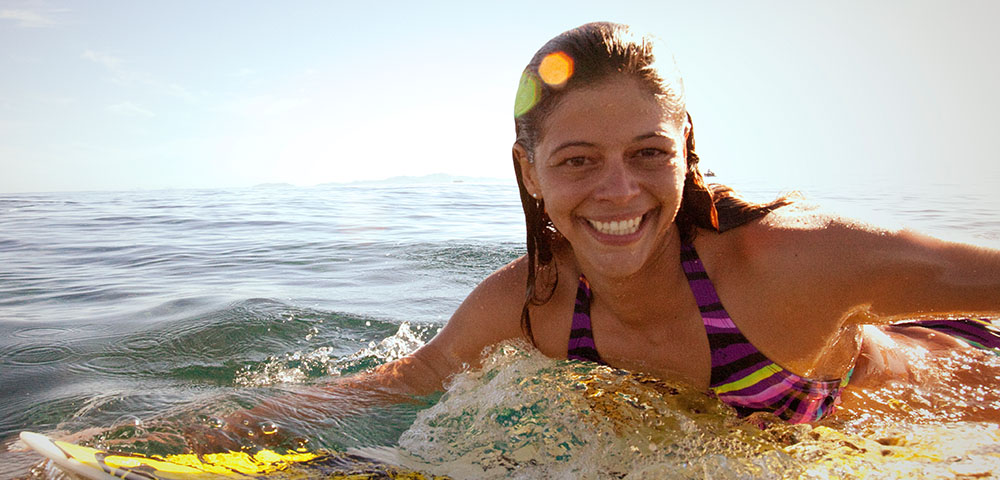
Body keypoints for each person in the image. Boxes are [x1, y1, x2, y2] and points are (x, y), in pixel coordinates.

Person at [234, 22, 1000, 438]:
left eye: (648, 153)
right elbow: (407, 379)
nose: (618, 191)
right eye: (577, 160)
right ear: (529, 172)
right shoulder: (530, 305)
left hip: (965, 387)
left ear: (685, 151)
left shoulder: (792, 263)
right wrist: (195, 433)